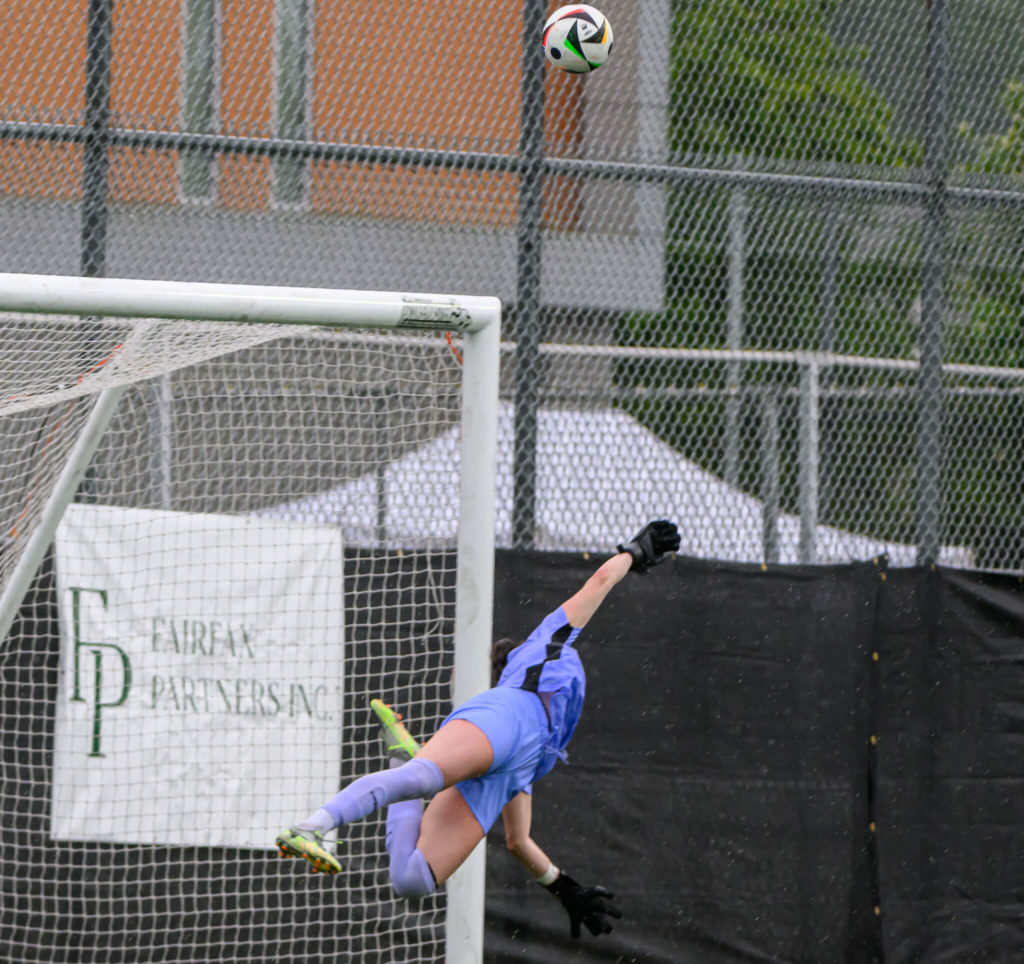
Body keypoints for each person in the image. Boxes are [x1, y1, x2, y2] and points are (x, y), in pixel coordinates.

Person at [276, 519, 680, 940]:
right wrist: (633, 552)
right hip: (503, 721)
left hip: (514, 761)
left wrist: (563, 888)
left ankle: (402, 751)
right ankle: (311, 827)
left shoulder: (541, 753)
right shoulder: (542, 646)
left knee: (412, 881)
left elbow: (518, 840)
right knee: (419, 778)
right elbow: (600, 580)